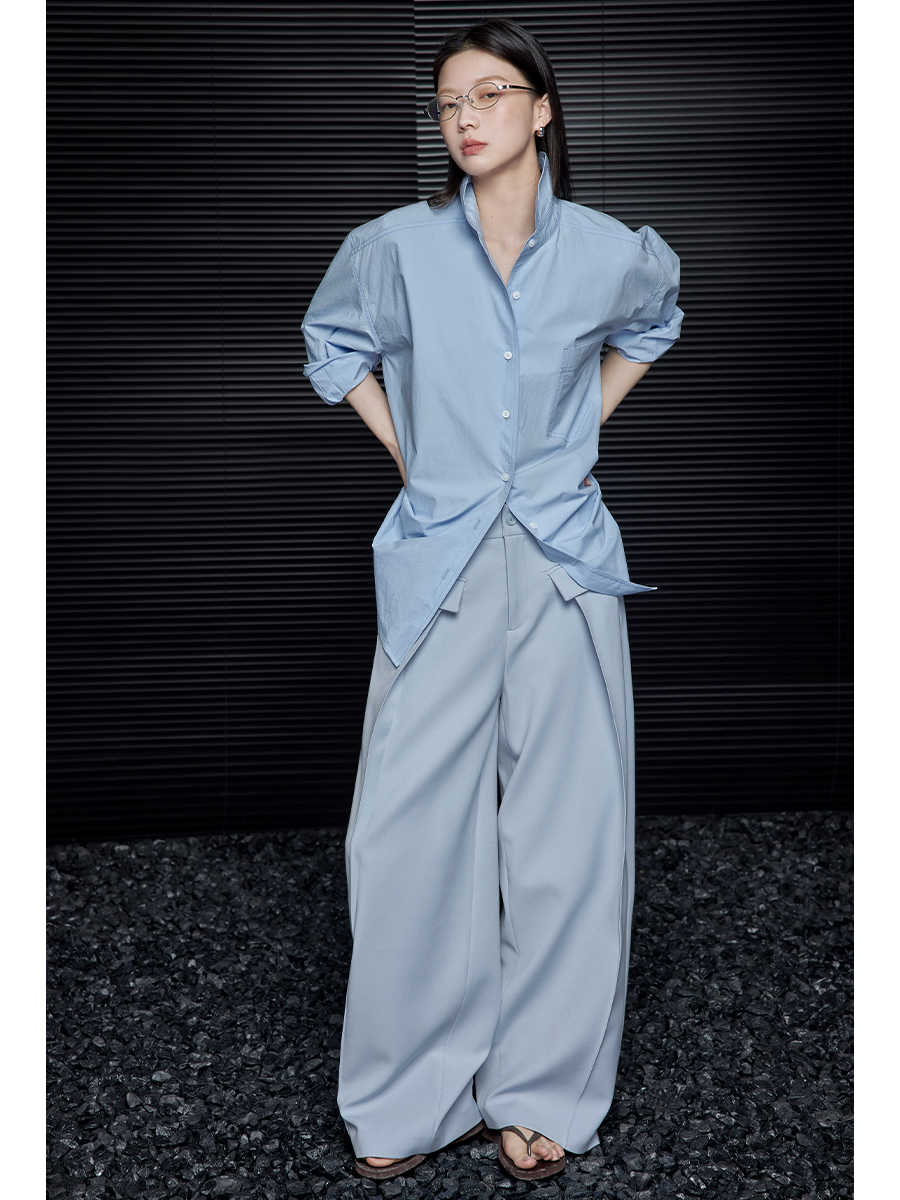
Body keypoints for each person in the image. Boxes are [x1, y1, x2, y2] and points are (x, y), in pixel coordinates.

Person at [300, 17, 684, 1184]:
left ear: (543, 107)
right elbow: (332, 342)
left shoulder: (611, 251)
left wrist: (576, 434)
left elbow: (655, 322)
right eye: (450, 103)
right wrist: (413, 451)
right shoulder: (394, 248)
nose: (465, 118)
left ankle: (542, 1090)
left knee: (570, 833)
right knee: (405, 833)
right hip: (440, 560)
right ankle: (409, 1094)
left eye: (491, 94)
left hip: (566, 562)